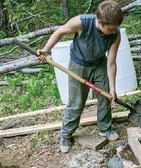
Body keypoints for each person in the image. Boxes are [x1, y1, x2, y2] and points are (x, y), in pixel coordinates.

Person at [37, 0, 123, 153]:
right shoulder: (81, 22)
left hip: (100, 64)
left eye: (115, 28)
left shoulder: (115, 34)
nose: (112, 31)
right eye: (110, 28)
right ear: (99, 21)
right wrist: (45, 50)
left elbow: (111, 63)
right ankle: (66, 134)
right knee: (76, 103)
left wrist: (113, 89)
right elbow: (60, 32)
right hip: (79, 65)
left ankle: (105, 128)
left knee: (105, 98)